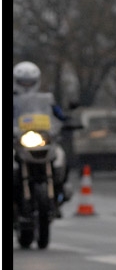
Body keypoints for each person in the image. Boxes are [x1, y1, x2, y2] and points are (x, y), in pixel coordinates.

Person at [13, 61, 71, 212]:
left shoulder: (46, 99)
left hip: (42, 138)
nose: (26, 85)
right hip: (18, 140)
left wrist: (67, 120)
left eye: (29, 82)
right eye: (23, 82)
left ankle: (60, 191)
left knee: (61, 156)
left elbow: (58, 114)